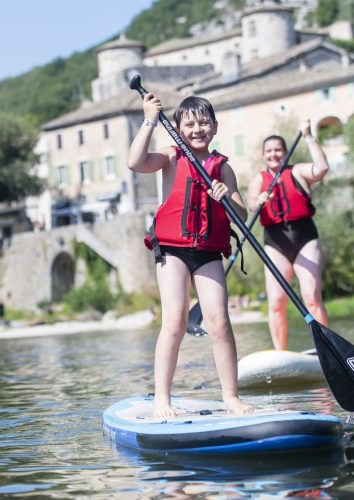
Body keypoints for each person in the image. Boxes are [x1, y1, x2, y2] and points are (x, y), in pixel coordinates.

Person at [127, 91, 253, 417]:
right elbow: (135, 162)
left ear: (214, 127)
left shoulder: (222, 169)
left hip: (208, 250)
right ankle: (162, 400)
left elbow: (242, 213)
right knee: (174, 321)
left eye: (204, 123)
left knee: (220, 322)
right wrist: (149, 120)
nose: (197, 129)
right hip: (172, 249)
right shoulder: (171, 157)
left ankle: (231, 397)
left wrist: (228, 197)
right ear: (180, 129)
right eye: (190, 124)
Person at [246, 120, 329, 351]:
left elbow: (321, 169)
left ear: (284, 152)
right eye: (269, 151)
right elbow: (251, 205)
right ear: (264, 156)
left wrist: (309, 137)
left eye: (278, 150)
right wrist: (259, 200)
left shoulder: (298, 171)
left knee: (311, 298)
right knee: (275, 303)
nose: (273, 155)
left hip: (304, 237)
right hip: (275, 242)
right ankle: (280, 352)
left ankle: (327, 347)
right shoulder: (258, 180)